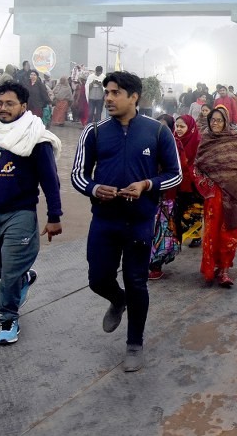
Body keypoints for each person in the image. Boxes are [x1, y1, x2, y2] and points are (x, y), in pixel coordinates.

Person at [71, 71, 182, 372]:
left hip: (139, 222)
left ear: (134, 97)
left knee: (136, 282)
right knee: (98, 279)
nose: (108, 98)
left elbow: (175, 174)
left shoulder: (157, 132)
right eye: (107, 92)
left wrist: (147, 184)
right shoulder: (94, 132)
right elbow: (78, 175)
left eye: (115, 93)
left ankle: (135, 344)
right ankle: (116, 299)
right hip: (104, 220)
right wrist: (95, 188)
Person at [0, 80, 63, 344]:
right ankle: (22, 278)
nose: (3, 108)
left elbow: (50, 181)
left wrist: (54, 216)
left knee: (9, 271)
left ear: (23, 106)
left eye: (10, 103)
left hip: (20, 213)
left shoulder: (36, 139)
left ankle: (8, 319)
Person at [193, 106, 237, 287]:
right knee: (212, 233)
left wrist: (233, 183)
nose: (215, 124)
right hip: (214, 195)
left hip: (234, 194)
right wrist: (208, 186)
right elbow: (198, 167)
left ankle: (224, 270)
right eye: (212, 120)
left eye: (219, 120)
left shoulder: (236, 139)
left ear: (226, 121)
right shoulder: (206, 141)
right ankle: (211, 268)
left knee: (230, 232)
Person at [148, 115, 182, 280]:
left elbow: (178, 172)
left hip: (166, 197)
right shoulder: (146, 143)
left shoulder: (175, 146)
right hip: (148, 195)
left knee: (161, 231)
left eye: (164, 127)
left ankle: (155, 265)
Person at [172, 114, 203, 250]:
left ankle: (196, 236)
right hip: (177, 181)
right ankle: (177, 235)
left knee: (194, 210)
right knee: (178, 210)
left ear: (190, 128)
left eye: (182, 126)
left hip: (193, 183)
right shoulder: (172, 140)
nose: (178, 129)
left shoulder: (198, 141)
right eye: (177, 126)